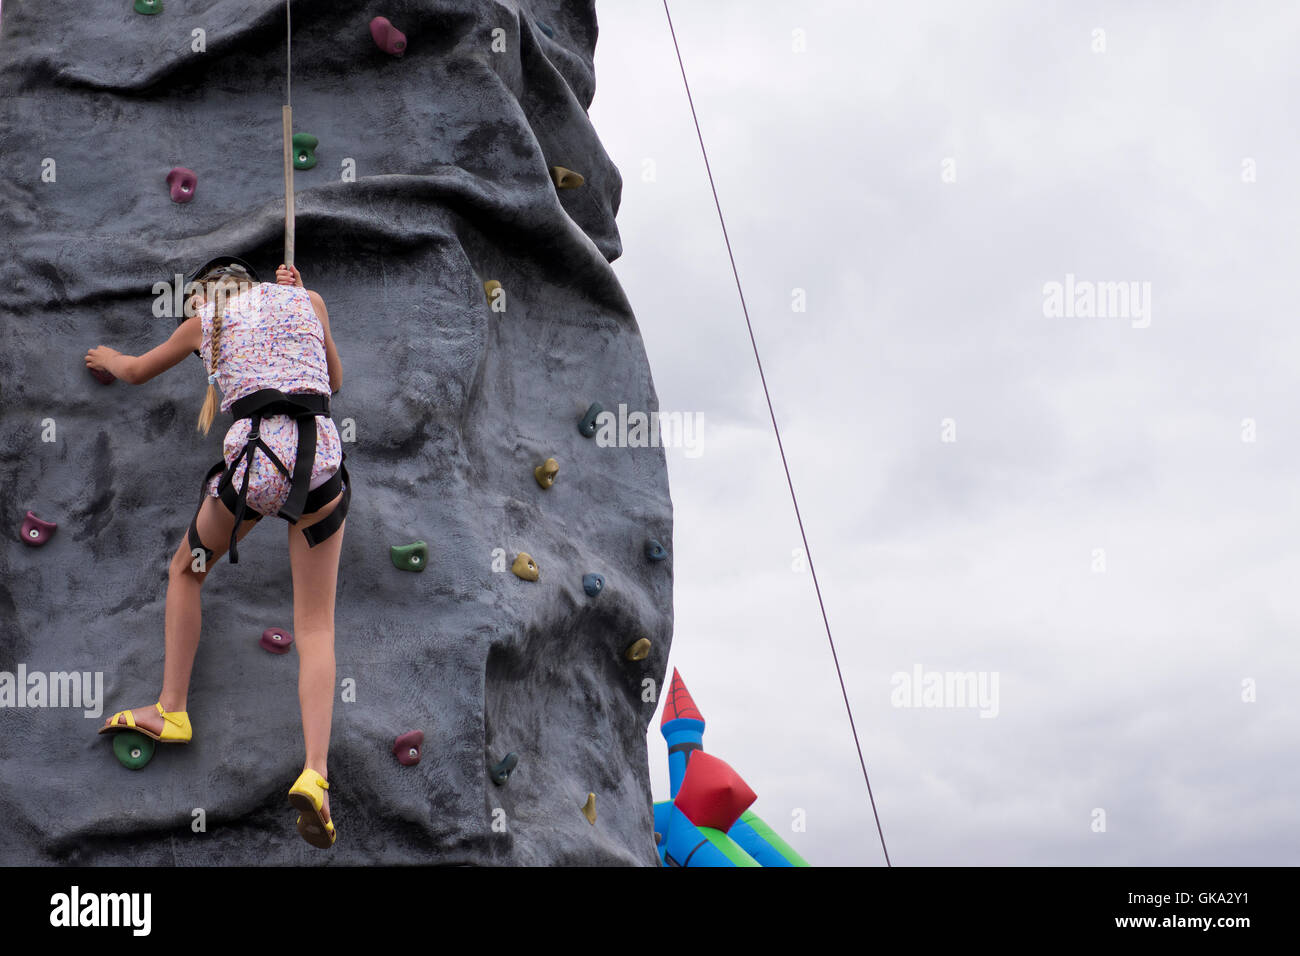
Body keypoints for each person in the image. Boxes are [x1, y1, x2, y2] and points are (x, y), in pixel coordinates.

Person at [85, 257, 349, 849]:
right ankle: (316, 774)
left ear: (204, 293)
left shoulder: (206, 318)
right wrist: (306, 303)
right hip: (321, 478)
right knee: (315, 626)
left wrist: (106, 359)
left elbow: (134, 371)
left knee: (188, 569)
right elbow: (333, 380)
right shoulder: (309, 301)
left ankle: (172, 708)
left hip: (257, 475)